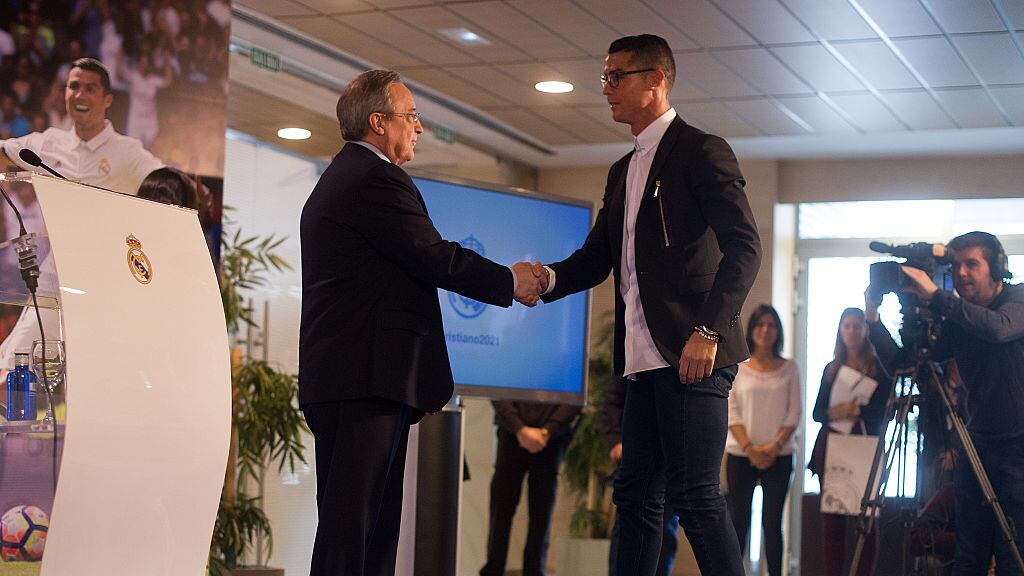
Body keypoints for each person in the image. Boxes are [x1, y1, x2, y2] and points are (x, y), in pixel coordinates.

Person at [298, 69, 546, 576]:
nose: (419, 127)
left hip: (359, 380)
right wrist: (508, 282)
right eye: (410, 116)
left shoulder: (347, 176)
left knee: (369, 532)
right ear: (377, 123)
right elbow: (432, 256)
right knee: (353, 534)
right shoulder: (374, 178)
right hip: (362, 380)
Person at [538, 34, 761, 576]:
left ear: (655, 80)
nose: (607, 88)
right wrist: (544, 279)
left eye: (617, 76)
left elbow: (745, 246)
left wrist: (708, 332)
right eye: (604, 77)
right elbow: (596, 259)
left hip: (692, 356)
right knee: (635, 498)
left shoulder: (701, 150)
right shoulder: (622, 170)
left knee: (697, 498)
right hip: (641, 364)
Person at [866, 231, 1024, 576]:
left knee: (1013, 553)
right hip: (977, 443)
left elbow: (999, 329)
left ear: (997, 267)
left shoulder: (1017, 299)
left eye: (972, 264)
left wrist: (937, 296)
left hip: (1018, 445)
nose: (961, 273)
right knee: (968, 557)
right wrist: (874, 320)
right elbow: (908, 361)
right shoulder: (959, 318)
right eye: (956, 266)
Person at [1, 57, 162, 196]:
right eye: (74, 86)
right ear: (65, 93)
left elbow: (171, 185)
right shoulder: (47, 143)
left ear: (108, 100)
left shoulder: (129, 152)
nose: (79, 95)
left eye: (90, 89)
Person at [809, 307, 890, 576]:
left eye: (858, 325)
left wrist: (858, 411)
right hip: (832, 446)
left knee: (866, 520)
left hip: (865, 447)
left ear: (866, 330)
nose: (853, 331)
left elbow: (885, 412)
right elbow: (817, 412)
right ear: (840, 331)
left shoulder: (880, 369)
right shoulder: (831, 369)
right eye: (847, 326)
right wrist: (837, 412)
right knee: (832, 521)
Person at [725, 304, 801, 576]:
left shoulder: (790, 368)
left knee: (772, 523)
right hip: (741, 456)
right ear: (752, 330)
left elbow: (794, 413)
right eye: (760, 325)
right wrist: (750, 449)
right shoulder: (738, 368)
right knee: (738, 521)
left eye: (771, 325)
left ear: (778, 331)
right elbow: (731, 411)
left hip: (778, 456)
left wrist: (772, 447)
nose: (765, 330)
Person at [480, 399, 581, 576]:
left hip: (551, 439)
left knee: (542, 513)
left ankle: (535, 571)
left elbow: (575, 393)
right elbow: (499, 390)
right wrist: (519, 428)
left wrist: (548, 429)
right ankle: (493, 569)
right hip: (511, 433)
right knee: (501, 508)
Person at [603, 374, 679, 576]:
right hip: (635, 451)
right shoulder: (636, 351)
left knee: (667, 528)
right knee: (628, 525)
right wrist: (616, 441)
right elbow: (612, 400)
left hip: (672, 454)